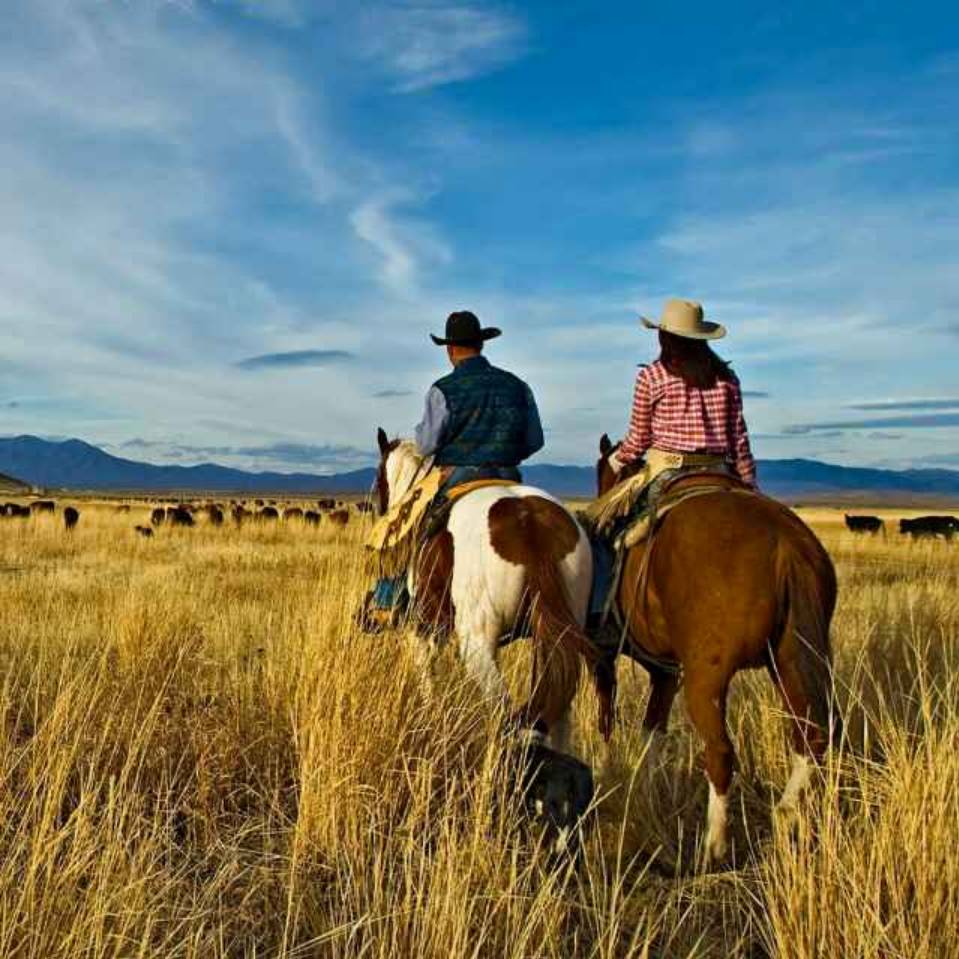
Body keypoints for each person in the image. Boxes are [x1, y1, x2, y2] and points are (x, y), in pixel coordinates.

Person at [361, 310, 544, 630]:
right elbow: (535, 441)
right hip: (510, 478)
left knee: (403, 527)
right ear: (481, 344)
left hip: (460, 476)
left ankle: (387, 604)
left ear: (450, 350)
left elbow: (428, 444)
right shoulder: (518, 386)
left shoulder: (443, 389)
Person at [609, 298, 757, 488]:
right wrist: (749, 480)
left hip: (666, 470)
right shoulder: (726, 377)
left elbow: (640, 439)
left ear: (664, 337)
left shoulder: (651, 376)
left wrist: (618, 459)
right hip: (718, 469)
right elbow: (739, 440)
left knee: (626, 515)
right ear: (701, 338)